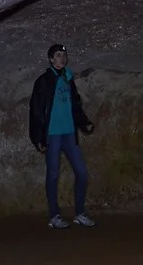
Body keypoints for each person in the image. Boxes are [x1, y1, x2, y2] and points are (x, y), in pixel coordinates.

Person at [28, 43, 96, 229]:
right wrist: (38, 138)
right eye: (58, 55)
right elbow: (36, 110)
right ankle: (54, 216)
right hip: (52, 134)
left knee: (82, 173)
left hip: (69, 133)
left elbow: (75, 105)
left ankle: (80, 213)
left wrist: (84, 122)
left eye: (63, 55)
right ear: (51, 59)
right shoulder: (43, 81)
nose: (62, 58)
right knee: (53, 175)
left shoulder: (68, 78)